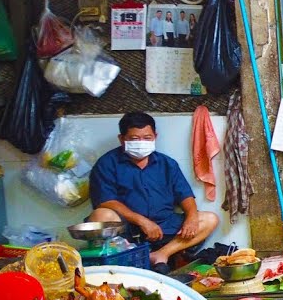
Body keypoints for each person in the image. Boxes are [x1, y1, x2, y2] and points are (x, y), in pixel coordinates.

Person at [87, 112, 219, 272]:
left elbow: (185, 195)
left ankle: (161, 254)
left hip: (165, 226)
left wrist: (191, 217)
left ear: (155, 136)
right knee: (101, 215)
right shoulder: (107, 164)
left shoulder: (167, 163)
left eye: (147, 137)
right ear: (122, 139)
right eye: (135, 139)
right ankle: (125, 261)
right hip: (128, 230)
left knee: (209, 219)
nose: (141, 143)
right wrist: (142, 221)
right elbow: (105, 201)